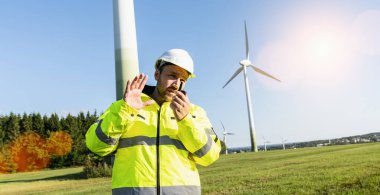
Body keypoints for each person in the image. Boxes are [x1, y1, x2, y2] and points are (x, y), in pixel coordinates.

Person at [86, 48, 221, 195]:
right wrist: (125, 111)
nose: (177, 84)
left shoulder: (194, 113)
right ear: (157, 74)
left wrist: (185, 121)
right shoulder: (124, 106)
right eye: (172, 76)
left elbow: (209, 157)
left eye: (183, 80)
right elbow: (96, 145)